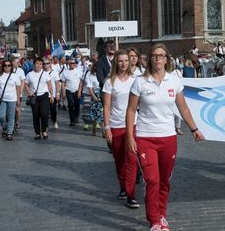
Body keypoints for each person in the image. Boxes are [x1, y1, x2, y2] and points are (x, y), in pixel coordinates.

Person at [126, 43, 205, 231]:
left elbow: (183, 107)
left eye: (161, 55)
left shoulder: (174, 81)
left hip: (168, 137)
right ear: (150, 59)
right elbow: (130, 111)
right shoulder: (140, 81)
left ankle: (162, 214)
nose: (158, 59)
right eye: (154, 55)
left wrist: (194, 129)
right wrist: (130, 136)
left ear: (167, 59)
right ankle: (154, 219)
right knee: (152, 179)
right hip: (146, 137)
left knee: (164, 180)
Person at [102, 50, 139, 208]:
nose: (124, 64)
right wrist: (107, 128)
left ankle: (131, 194)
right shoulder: (110, 82)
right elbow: (106, 106)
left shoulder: (136, 80)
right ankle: (123, 186)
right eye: (120, 61)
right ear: (116, 62)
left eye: (126, 60)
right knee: (119, 160)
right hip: (116, 126)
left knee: (131, 159)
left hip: (133, 125)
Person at [0, 60, 22, 140]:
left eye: (9, 65)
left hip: (12, 98)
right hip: (1, 99)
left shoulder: (15, 76)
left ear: (11, 66)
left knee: (11, 117)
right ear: (2, 66)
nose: (7, 67)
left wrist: (18, 99)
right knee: (1, 116)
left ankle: (9, 133)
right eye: (5, 65)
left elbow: (18, 88)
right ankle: (5, 127)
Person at [25, 58, 55, 140]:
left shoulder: (45, 74)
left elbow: (50, 85)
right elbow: (26, 84)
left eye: (40, 64)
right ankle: (37, 133)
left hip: (44, 95)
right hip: (34, 96)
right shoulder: (29, 75)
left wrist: (52, 95)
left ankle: (44, 130)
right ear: (34, 64)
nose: (39, 65)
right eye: (37, 63)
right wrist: (29, 92)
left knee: (44, 114)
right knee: (36, 115)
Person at [81, 62, 101, 133]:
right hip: (88, 93)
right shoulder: (89, 74)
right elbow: (89, 86)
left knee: (97, 109)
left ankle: (97, 123)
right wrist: (93, 95)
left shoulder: (101, 74)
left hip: (98, 93)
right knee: (87, 108)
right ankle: (86, 123)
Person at [61, 58, 82, 126]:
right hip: (68, 90)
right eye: (71, 63)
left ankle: (76, 117)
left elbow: (81, 82)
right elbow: (63, 83)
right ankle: (72, 120)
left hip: (76, 90)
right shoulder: (65, 72)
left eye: (74, 63)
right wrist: (63, 93)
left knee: (77, 105)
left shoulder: (78, 71)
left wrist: (79, 91)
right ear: (68, 64)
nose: (72, 64)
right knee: (70, 105)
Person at [43, 58, 61, 129]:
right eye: (44, 64)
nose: (46, 65)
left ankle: (55, 120)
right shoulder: (41, 72)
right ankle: (45, 125)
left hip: (52, 95)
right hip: (44, 94)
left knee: (53, 109)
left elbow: (57, 83)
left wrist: (58, 93)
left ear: (50, 64)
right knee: (45, 111)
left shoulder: (54, 72)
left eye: (47, 63)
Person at [12, 57, 27, 133]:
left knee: (17, 108)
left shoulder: (20, 71)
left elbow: (23, 80)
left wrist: (21, 90)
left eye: (19, 62)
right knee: (11, 109)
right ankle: (11, 123)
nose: (19, 64)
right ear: (12, 62)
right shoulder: (8, 70)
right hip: (9, 92)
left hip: (18, 93)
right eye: (17, 62)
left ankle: (17, 121)